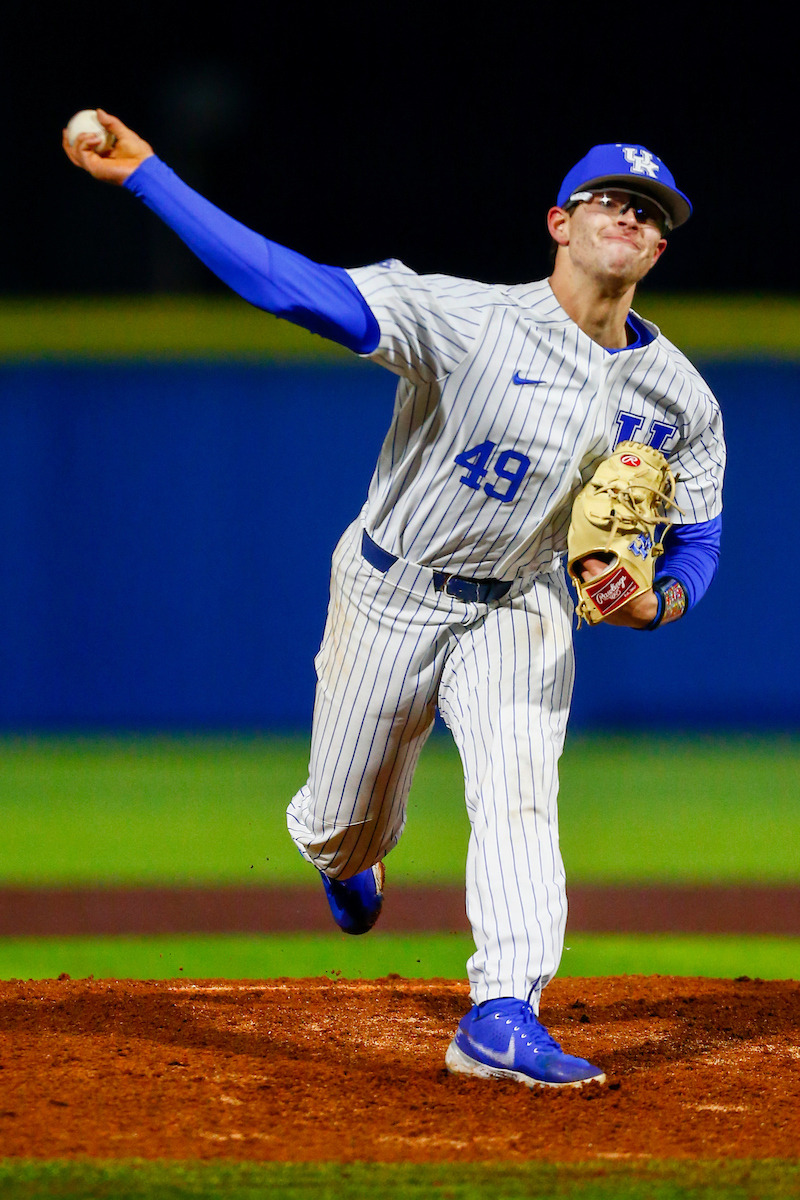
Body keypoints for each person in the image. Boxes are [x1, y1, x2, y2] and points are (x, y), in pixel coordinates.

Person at [64, 115, 725, 1089]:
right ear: (558, 221)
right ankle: (348, 862)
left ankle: (503, 1012)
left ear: (659, 248)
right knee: (341, 825)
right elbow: (290, 287)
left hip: (523, 605)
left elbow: (698, 539)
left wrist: (658, 603)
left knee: (517, 796)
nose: (629, 218)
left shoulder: (680, 400)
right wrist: (150, 177)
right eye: (610, 202)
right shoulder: (467, 320)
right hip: (393, 590)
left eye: (649, 214)